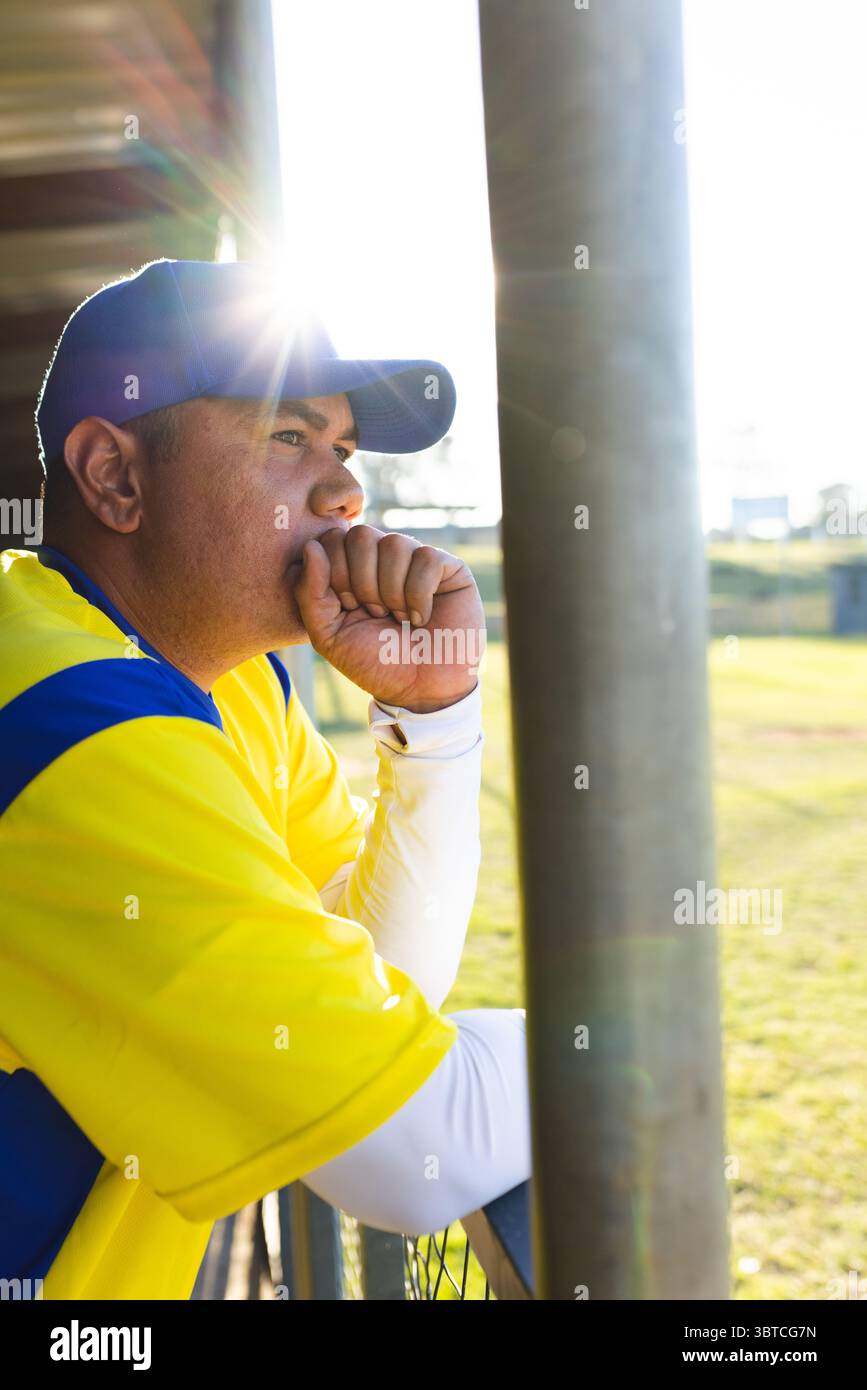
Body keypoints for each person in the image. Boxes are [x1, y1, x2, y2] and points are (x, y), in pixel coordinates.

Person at [0, 258, 530, 1300]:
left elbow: (377, 988)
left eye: (341, 447)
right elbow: (407, 1147)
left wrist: (432, 720)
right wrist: (620, 1044)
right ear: (115, 476)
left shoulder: (231, 684)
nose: (343, 488)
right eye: (288, 438)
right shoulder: (65, 712)